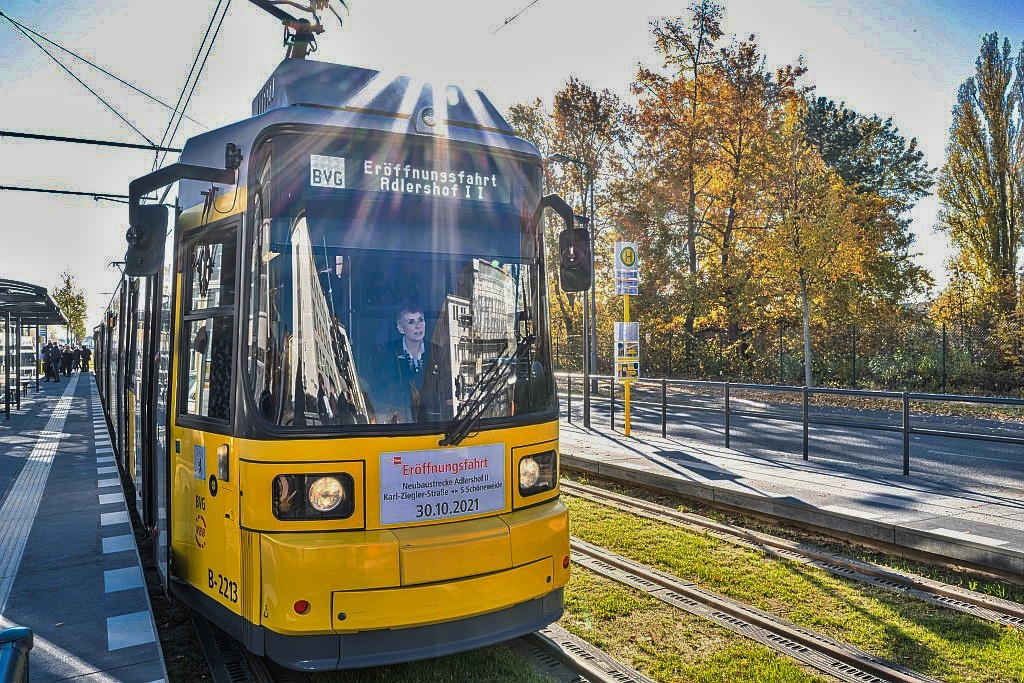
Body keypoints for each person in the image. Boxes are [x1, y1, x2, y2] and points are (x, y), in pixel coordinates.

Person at [371, 303, 451, 424]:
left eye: (421, 320)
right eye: (411, 322)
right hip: (398, 423)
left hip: (434, 424)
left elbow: (445, 389)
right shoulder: (387, 354)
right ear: (400, 328)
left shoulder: (438, 353)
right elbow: (381, 391)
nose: (418, 326)